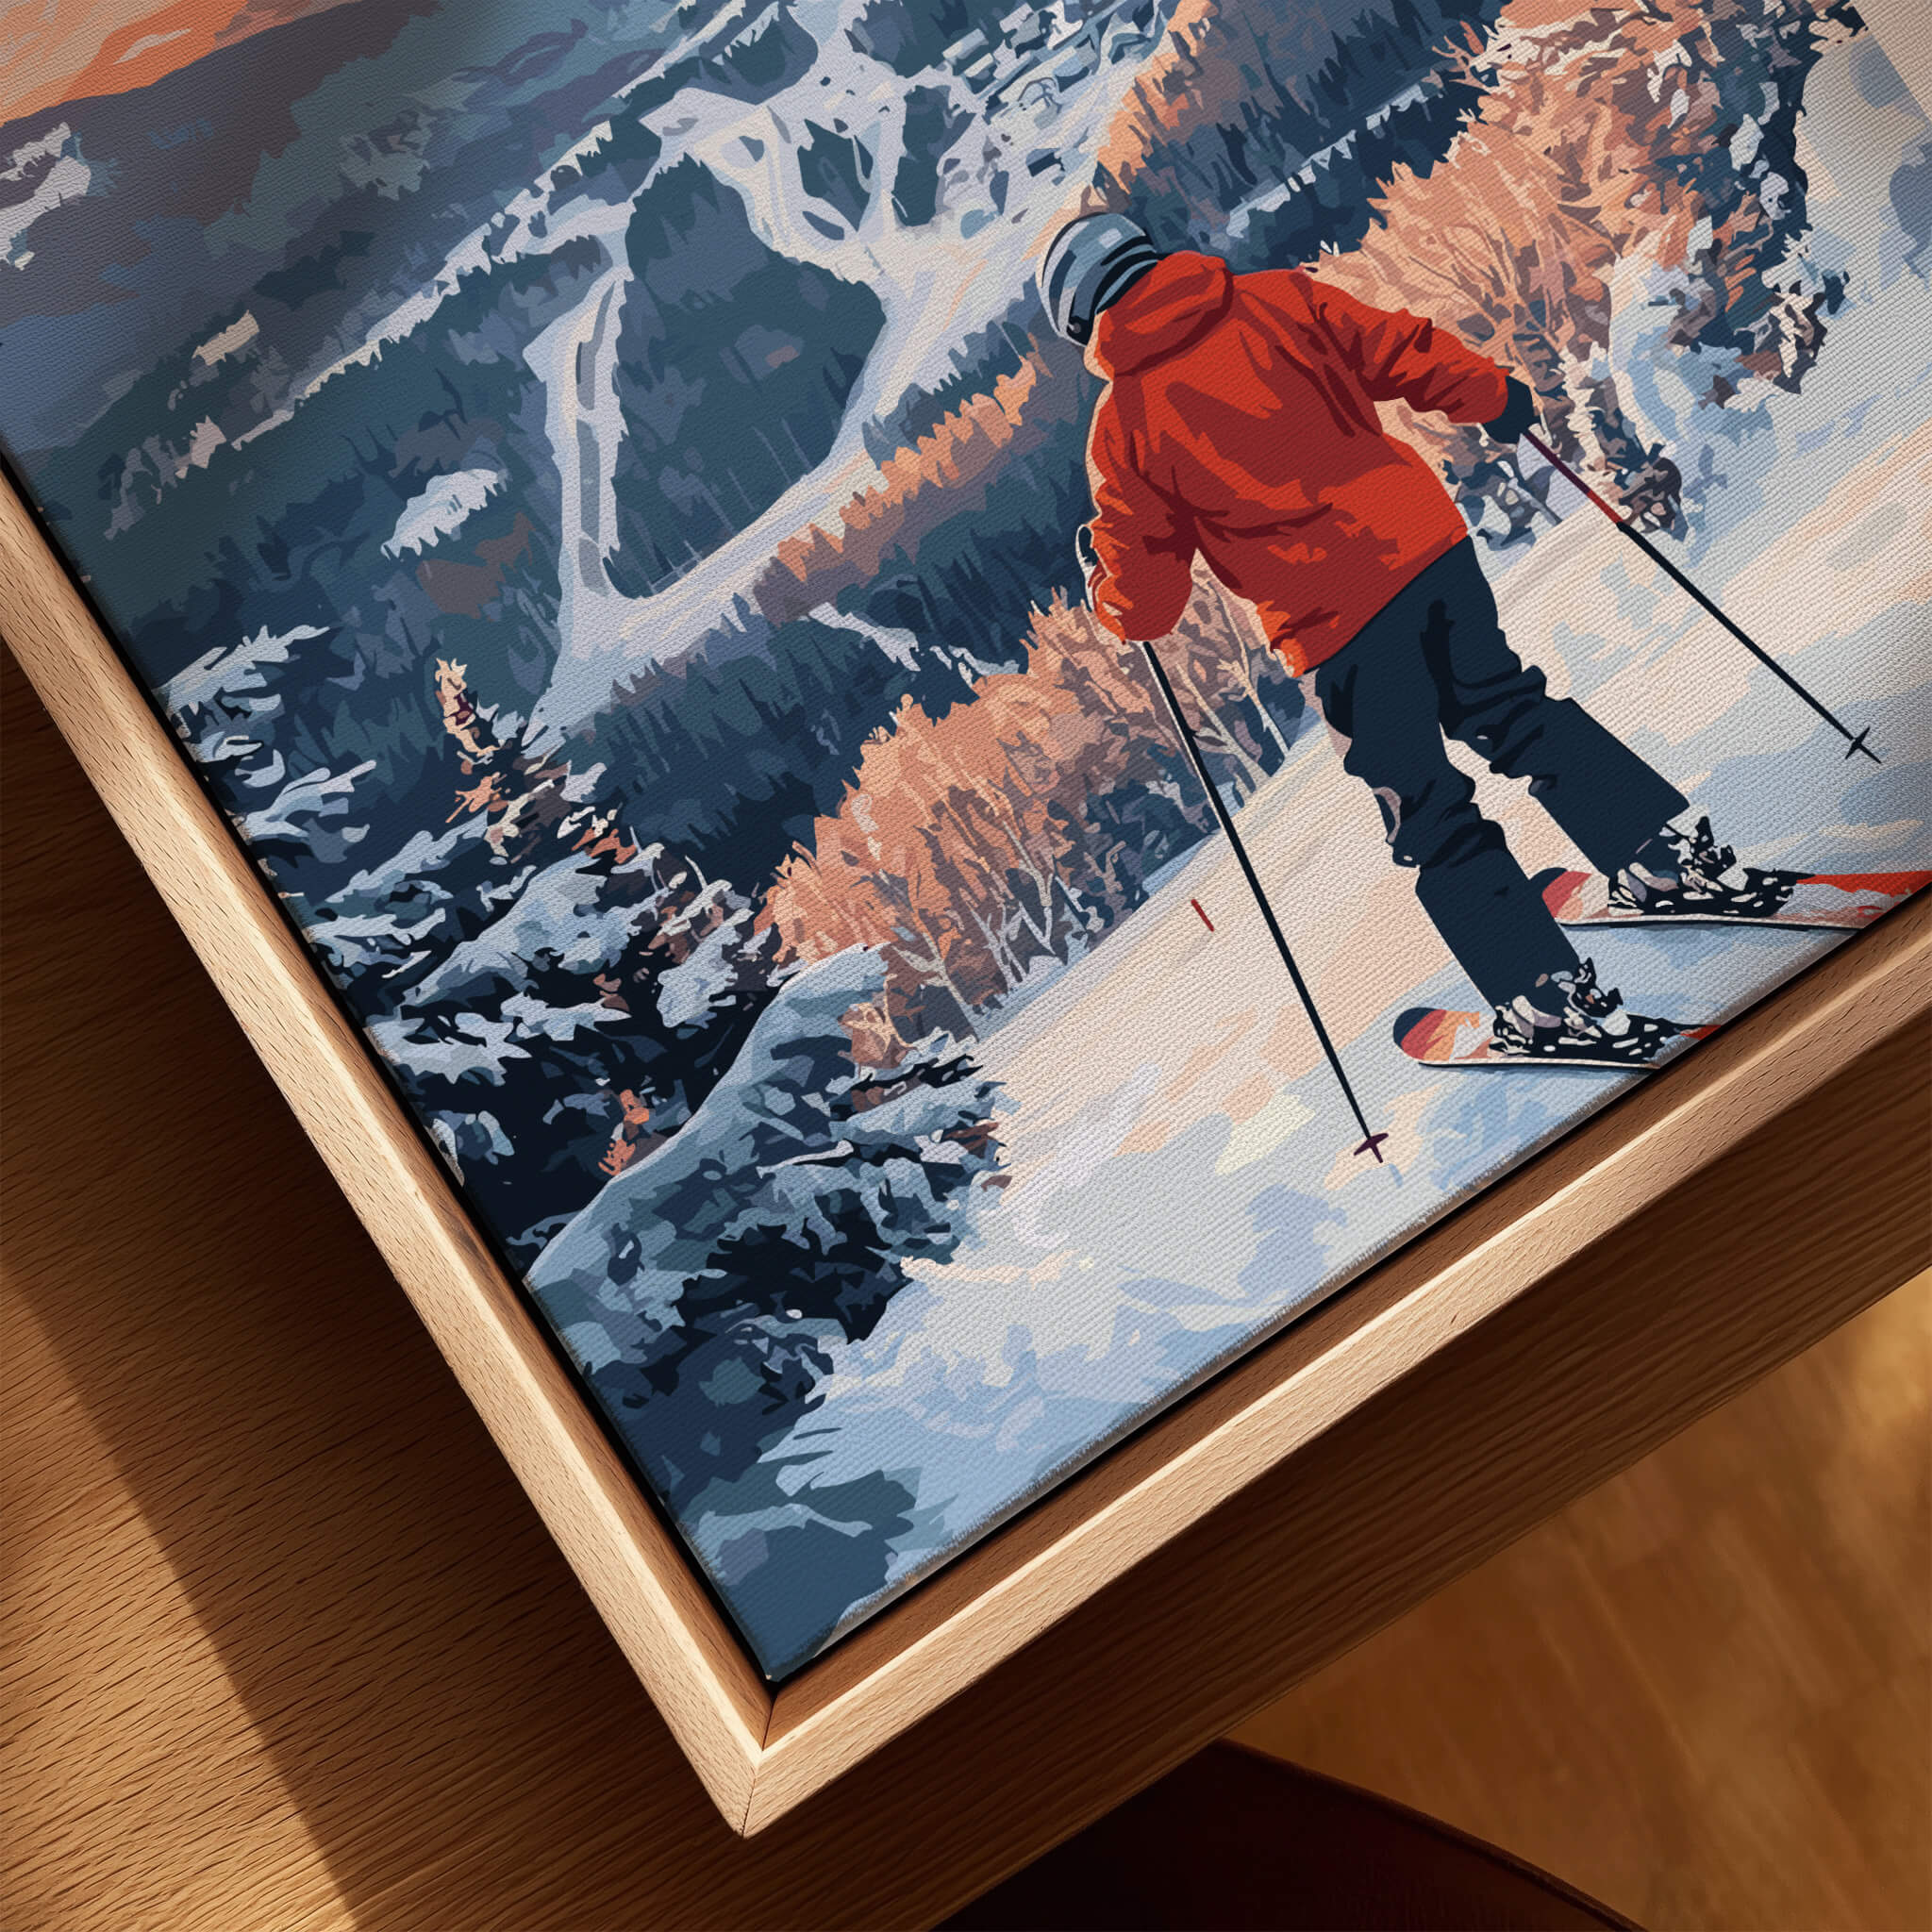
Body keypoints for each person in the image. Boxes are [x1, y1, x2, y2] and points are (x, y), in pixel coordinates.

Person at [1039, 210, 1750, 1062]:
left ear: (1082, 321)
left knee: (1428, 808)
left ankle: (1547, 999)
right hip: (1424, 550)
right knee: (1517, 712)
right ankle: (1662, 855)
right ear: (1148, 256)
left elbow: (1148, 604)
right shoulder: (1275, 300)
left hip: (1336, 625)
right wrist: (1491, 396)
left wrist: (1105, 593)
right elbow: (1401, 348)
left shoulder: (1123, 431)